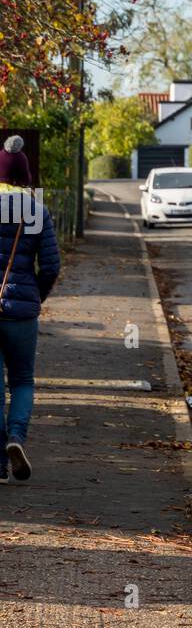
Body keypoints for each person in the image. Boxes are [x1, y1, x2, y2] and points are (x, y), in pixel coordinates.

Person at [0, 136, 60, 482]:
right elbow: (51, 265)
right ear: (25, 176)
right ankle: (15, 437)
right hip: (22, 313)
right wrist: (34, 296)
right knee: (22, 380)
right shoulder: (37, 211)